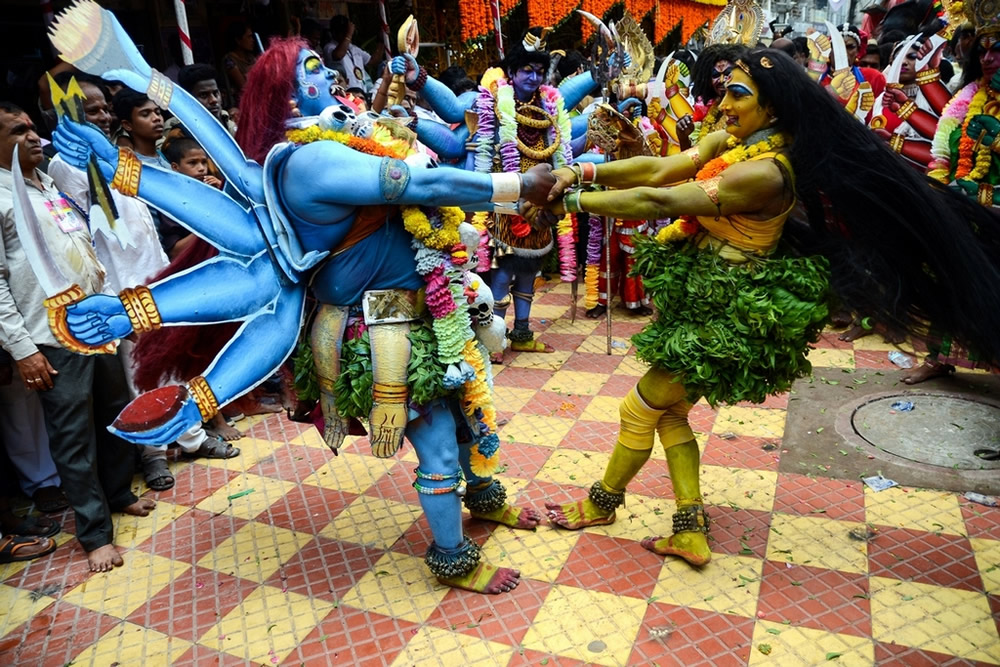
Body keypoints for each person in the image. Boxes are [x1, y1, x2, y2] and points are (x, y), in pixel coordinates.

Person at [45, 3, 559, 594]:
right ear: (288, 98)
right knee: (439, 445)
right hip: (380, 331)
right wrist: (516, 187)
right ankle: (453, 559)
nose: (331, 77)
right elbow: (424, 183)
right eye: (314, 70)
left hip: (432, 311)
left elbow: (436, 153)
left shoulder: (351, 135)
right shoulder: (311, 160)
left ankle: (485, 499)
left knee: (472, 415)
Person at [525, 49, 1000, 567]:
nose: (722, 104)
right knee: (671, 411)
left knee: (639, 406)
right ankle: (690, 527)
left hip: (734, 312)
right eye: (725, 91)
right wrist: (581, 173)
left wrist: (568, 203)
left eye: (737, 94)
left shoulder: (768, 173)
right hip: (701, 298)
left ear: (772, 110)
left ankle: (601, 503)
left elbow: (661, 201)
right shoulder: (731, 142)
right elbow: (661, 167)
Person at [0, 102, 155, 572]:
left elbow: (82, 246)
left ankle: (119, 493)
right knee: (72, 437)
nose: (32, 136)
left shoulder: (45, 183)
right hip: (51, 334)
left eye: (31, 127)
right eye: (16, 130)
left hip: (96, 321)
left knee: (113, 412)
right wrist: (23, 350)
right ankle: (94, 535)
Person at [391, 28, 597, 361]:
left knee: (531, 270)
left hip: (543, 196)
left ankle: (523, 333)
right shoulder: (489, 101)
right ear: (511, 72)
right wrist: (418, 82)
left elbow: (563, 147)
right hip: (504, 194)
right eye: (525, 70)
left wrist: (590, 143)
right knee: (503, 270)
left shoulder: (550, 105)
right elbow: (451, 119)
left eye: (538, 71)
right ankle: (495, 338)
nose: (532, 77)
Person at [908, 1, 1000, 383]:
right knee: (947, 281)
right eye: (984, 50)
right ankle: (938, 357)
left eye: (999, 49)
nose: (990, 58)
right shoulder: (965, 100)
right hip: (962, 209)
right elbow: (941, 155)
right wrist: (941, 188)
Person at [112, 88, 167, 167]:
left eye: (157, 112)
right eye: (145, 114)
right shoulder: (129, 167)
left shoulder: (164, 157)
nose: (156, 118)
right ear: (127, 125)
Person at [324, 15, 379, 94]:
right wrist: (348, 35)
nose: (344, 34)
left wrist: (381, 41)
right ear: (333, 32)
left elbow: (373, 61)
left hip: (361, 93)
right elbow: (338, 55)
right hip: (345, 93)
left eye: (345, 31)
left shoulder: (353, 48)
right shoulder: (330, 47)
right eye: (342, 31)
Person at [222, 21, 257, 104]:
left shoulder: (250, 58)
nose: (252, 40)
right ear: (238, 40)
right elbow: (244, 87)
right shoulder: (229, 61)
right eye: (249, 37)